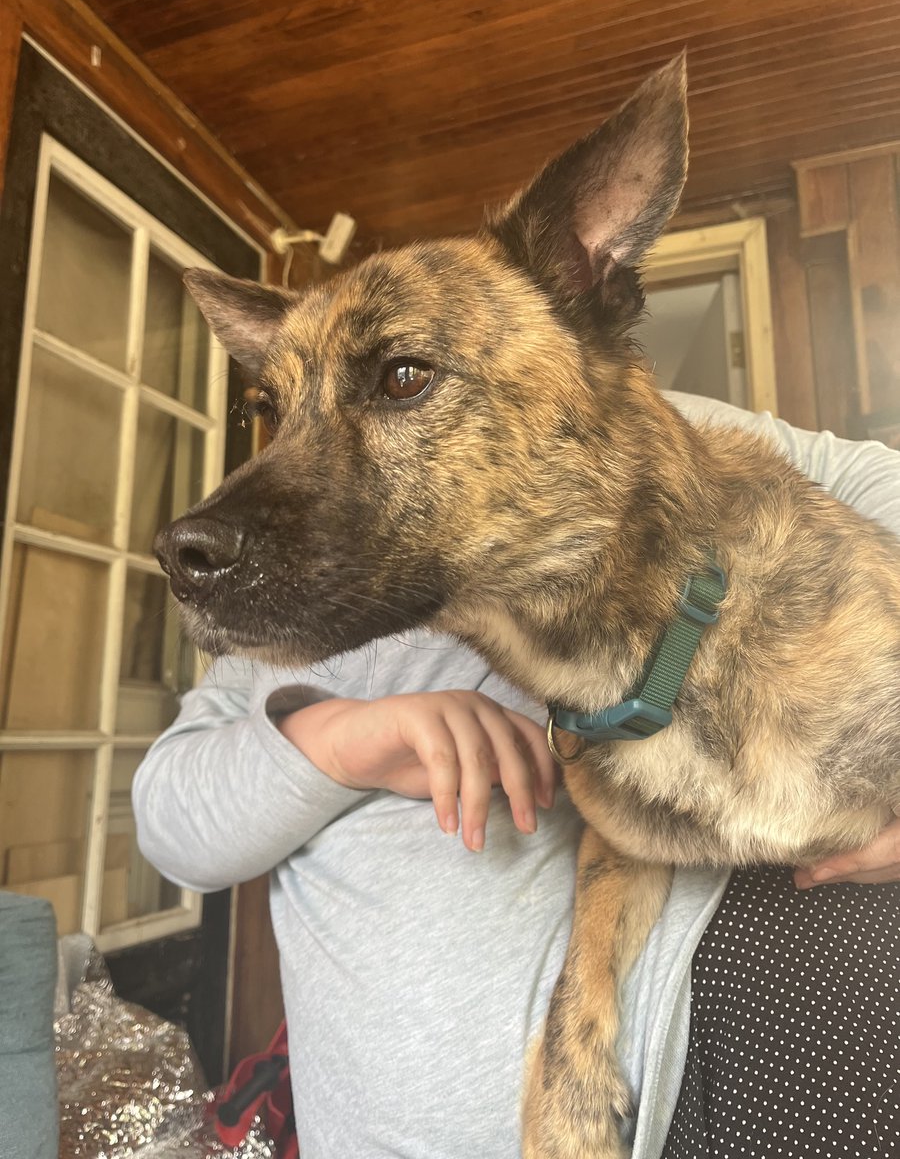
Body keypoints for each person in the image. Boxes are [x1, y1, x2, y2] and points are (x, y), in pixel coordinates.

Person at [134, 391, 900, 1159]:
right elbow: (171, 828)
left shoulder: (576, 399)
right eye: (286, 408)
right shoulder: (267, 643)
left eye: (399, 379)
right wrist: (341, 739)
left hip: (698, 1046)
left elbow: (871, 477)